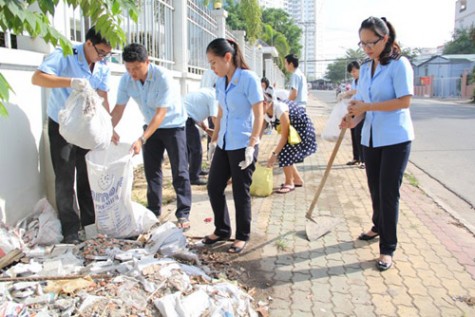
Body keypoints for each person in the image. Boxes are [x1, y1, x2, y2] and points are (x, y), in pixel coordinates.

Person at [341, 17, 414, 271]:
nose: (366, 48)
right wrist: (353, 118)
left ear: (384, 39)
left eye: (370, 43)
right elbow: (361, 102)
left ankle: (387, 248)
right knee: (374, 187)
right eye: (362, 44)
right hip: (370, 138)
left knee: (388, 192)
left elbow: (404, 102)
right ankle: (377, 226)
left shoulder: (399, 65)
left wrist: (367, 107)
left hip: (395, 139)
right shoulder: (365, 67)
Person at [31, 26, 112, 244]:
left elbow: (103, 92)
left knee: (88, 176)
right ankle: (70, 229)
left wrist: (108, 123)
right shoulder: (64, 53)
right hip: (63, 126)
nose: (104, 57)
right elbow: (38, 78)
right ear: (88, 44)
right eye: (101, 52)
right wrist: (70, 82)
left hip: (87, 128)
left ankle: (90, 223)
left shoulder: (103, 63)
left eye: (108, 53)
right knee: (65, 179)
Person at [110, 43, 192, 231]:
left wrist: (141, 139)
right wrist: (107, 129)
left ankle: (183, 213)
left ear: (147, 62)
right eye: (129, 68)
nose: (133, 73)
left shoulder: (163, 77)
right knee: (151, 171)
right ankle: (153, 212)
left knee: (179, 170)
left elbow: (161, 113)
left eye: (137, 68)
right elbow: (118, 109)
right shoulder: (126, 80)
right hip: (150, 126)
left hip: (173, 125)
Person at [202, 38, 264, 254]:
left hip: (243, 143)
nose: (212, 67)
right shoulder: (220, 82)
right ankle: (222, 229)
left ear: (227, 57)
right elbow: (221, 113)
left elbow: (259, 114)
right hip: (225, 143)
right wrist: (214, 139)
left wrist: (252, 144)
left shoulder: (248, 79)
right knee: (213, 186)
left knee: (240, 190)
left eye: (213, 62)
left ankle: (242, 236)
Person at [264, 87, 317, 193]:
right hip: (292, 130)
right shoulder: (264, 112)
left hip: (302, 130)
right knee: (285, 152)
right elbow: (258, 134)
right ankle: (297, 180)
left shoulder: (280, 109)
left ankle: (289, 182)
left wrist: (274, 155)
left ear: (265, 103)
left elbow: (284, 136)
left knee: (283, 152)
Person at [183, 87, 218, 185]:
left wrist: (205, 128)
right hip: (186, 119)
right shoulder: (214, 97)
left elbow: (195, 109)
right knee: (196, 149)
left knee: (190, 148)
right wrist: (219, 133)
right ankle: (193, 177)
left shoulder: (207, 92)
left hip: (185, 117)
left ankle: (196, 170)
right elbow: (214, 118)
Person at [343, 61, 365, 169]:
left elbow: (359, 91)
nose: (353, 73)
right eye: (351, 72)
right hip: (354, 108)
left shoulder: (364, 79)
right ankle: (356, 157)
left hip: (362, 109)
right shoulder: (354, 80)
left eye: (355, 71)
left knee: (359, 134)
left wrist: (349, 92)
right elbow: (353, 93)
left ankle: (363, 159)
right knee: (353, 133)